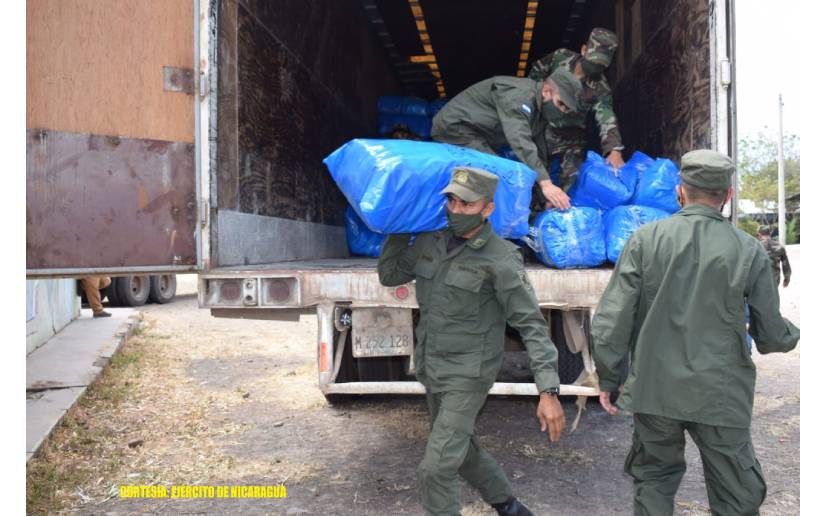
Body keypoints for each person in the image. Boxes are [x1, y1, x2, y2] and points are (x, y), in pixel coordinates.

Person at [591, 149, 800, 515]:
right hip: (720, 395)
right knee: (736, 496)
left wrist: (610, 378)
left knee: (654, 482)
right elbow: (770, 335)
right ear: (728, 195)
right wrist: (792, 334)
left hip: (655, 390)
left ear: (680, 192)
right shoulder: (748, 250)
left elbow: (611, 321)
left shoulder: (644, 240)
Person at [378, 166, 566, 516]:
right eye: (451, 201)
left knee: (436, 468)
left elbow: (531, 325)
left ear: (487, 209)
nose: (456, 210)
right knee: (460, 448)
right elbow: (389, 274)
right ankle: (509, 507)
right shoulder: (430, 242)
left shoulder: (500, 258)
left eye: (466, 204)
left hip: (469, 374)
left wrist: (548, 391)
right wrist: (400, 228)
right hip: (432, 368)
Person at [431, 69, 583, 210]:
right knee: (496, 173)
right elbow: (520, 140)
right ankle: (474, 218)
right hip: (455, 128)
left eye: (566, 109)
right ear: (546, 91)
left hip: (479, 134)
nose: (562, 111)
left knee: (502, 170)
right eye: (560, 103)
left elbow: (539, 152)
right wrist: (546, 184)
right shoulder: (519, 95)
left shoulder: (541, 111)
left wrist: (546, 196)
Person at [528, 28, 624, 191]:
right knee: (536, 179)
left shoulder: (600, 87)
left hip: (572, 138)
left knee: (570, 185)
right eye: (593, 62)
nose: (595, 69)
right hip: (542, 129)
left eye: (601, 66)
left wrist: (614, 149)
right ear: (584, 50)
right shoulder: (559, 58)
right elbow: (535, 75)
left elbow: (606, 117)